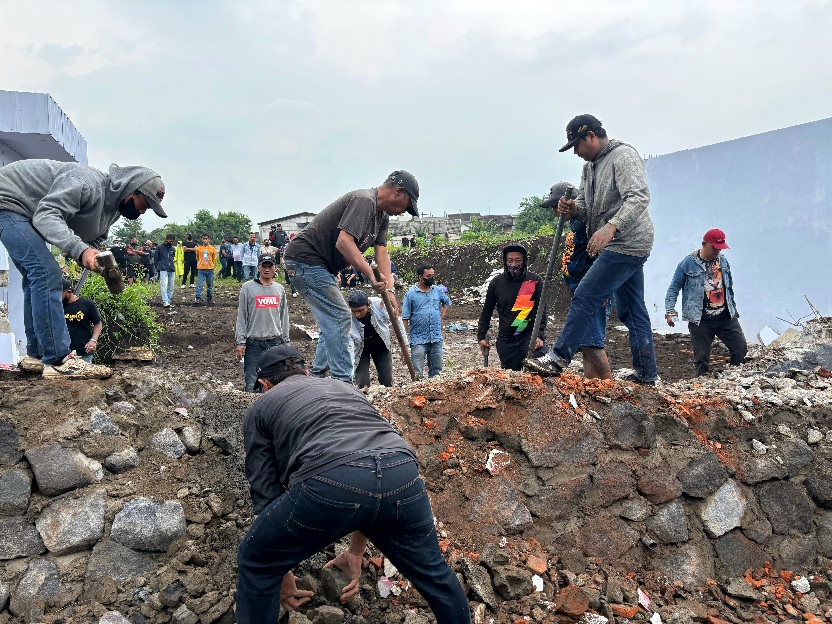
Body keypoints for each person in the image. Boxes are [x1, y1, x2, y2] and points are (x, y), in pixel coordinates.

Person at [235, 345, 470, 624]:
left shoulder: (262, 406)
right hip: (401, 471)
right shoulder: (345, 389)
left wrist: (276, 566)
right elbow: (370, 472)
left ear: (264, 383)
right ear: (306, 372)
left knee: (255, 559)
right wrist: (356, 551)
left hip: (331, 478)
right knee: (435, 573)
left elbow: (265, 491)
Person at [0, 159, 165, 379]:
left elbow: (93, 236)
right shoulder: (86, 183)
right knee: (46, 274)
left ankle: (38, 354)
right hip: (8, 201)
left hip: (25, 213)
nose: (143, 211)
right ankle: (59, 360)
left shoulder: (112, 209)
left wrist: (91, 255)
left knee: (37, 276)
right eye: (144, 204)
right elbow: (46, 215)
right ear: (132, 190)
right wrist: (80, 250)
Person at [525, 114, 658, 385]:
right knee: (632, 310)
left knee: (585, 295)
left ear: (591, 136)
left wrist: (611, 227)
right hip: (618, 243)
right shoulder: (589, 168)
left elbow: (639, 197)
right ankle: (646, 374)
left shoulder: (623, 156)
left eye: (577, 145)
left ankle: (558, 358)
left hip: (627, 242)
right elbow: (587, 208)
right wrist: (573, 209)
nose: (576, 152)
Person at [283, 171, 419, 382]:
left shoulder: (381, 216)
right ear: (398, 192)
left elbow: (382, 252)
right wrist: (370, 276)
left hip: (321, 266)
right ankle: (343, 382)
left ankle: (324, 375)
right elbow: (344, 242)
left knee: (332, 321)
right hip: (306, 260)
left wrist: (390, 290)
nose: (403, 212)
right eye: (407, 205)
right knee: (340, 317)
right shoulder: (364, 200)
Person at [546, 182, 613, 380]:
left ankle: (610, 386)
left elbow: (602, 256)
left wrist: (602, 288)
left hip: (593, 292)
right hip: (582, 291)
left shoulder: (585, 224)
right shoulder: (574, 224)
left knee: (591, 342)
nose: (555, 212)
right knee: (586, 342)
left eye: (556, 206)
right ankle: (592, 385)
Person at [665, 228, 748, 376]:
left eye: (720, 248)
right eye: (714, 247)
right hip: (701, 320)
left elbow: (728, 286)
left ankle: (735, 378)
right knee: (701, 359)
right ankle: (701, 384)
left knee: (740, 348)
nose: (717, 251)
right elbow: (673, 288)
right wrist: (670, 311)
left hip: (725, 316)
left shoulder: (723, 261)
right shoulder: (688, 263)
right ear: (704, 244)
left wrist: (732, 307)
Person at [476, 244, 546, 371]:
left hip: (529, 336)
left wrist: (540, 336)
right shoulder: (497, 283)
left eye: (518, 260)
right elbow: (487, 312)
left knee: (537, 367)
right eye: (510, 260)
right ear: (505, 261)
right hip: (507, 339)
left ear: (524, 261)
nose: (513, 264)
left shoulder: (535, 281)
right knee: (511, 377)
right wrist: (481, 336)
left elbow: (541, 311)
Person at [235, 253, 291, 392]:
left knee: (274, 382)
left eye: (270, 266)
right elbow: (242, 315)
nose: (267, 269)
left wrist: (286, 341)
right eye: (263, 266)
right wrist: (240, 341)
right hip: (254, 343)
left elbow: (284, 316)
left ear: (275, 268)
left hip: (274, 342)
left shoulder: (279, 289)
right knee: (252, 382)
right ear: (258, 267)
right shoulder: (248, 287)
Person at [348, 290, 407, 388]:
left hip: (381, 345)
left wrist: (404, 345)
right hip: (361, 348)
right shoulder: (347, 316)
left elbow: (397, 321)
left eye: (360, 310)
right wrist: (350, 367)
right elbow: (349, 342)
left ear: (368, 305)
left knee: (387, 381)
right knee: (362, 382)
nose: (357, 314)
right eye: (354, 311)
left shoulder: (380, 305)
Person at [402, 264, 451, 379]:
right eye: (428, 276)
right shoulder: (410, 294)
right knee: (417, 373)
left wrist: (442, 315)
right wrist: (403, 342)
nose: (431, 278)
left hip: (435, 337)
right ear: (420, 277)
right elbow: (405, 318)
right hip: (418, 339)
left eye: (433, 276)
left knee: (436, 371)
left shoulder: (437, 290)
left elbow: (447, 301)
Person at [60, 278, 103, 364]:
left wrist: (93, 340)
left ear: (69, 292)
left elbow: (98, 323)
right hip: (63, 354)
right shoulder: (57, 308)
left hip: (83, 353)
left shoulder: (87, 304)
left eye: (59, 294)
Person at [155, 233, 177, 308]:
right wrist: (157, 269)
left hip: (171, 269)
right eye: (170, 241)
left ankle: (168, 300)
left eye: (172, 241)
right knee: (164, 286)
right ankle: (165, 301)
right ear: (166, 240)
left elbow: (173, 258)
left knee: (171, 287)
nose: (171, 242)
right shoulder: (159, 247)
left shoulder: (173, 249)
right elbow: (156, 259)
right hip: (163, 269)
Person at [194, 233, 217, 305]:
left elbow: (214, 259)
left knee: (210, 285)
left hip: (210, 269)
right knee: (199, 284)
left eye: (206, 239)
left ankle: (209, 298)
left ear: (209, 239)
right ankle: (198, 298)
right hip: (201, 269)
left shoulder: (212, 249)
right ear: (202, 239)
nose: (205, 240)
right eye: (204, 239)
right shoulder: (199, 249)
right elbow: (197, 257)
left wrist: (212, 266)